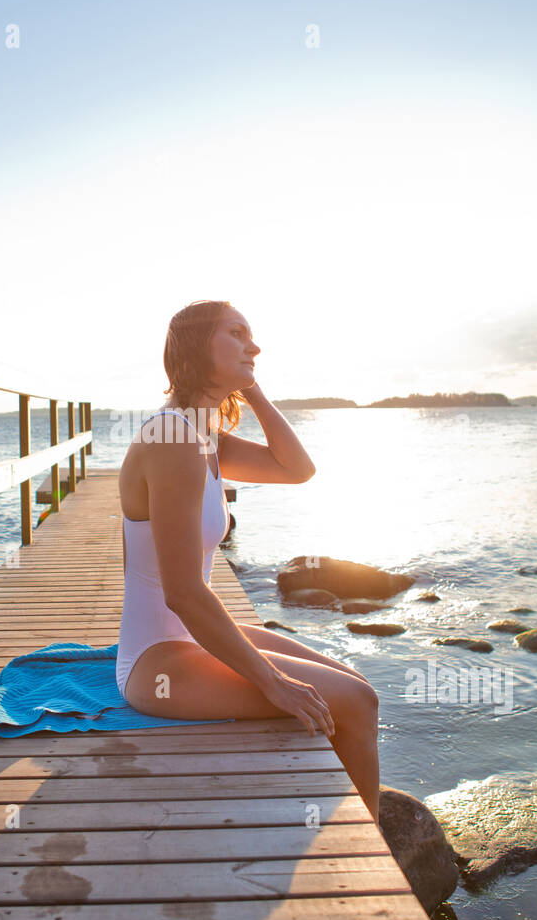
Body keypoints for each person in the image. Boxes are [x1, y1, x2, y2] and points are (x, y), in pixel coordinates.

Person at [115, 299, 380, 823]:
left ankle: (353, 828)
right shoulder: (172, 440)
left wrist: (249, 386)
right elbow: (183, 593)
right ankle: (371, 851)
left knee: (359, 693)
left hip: (191, 640)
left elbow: (297, 468)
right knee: (353, 703)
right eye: (237, 334)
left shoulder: (203, 434)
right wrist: (272, 682)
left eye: (251, 337)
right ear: (195, 347)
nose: (253, 346)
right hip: (158, 660)